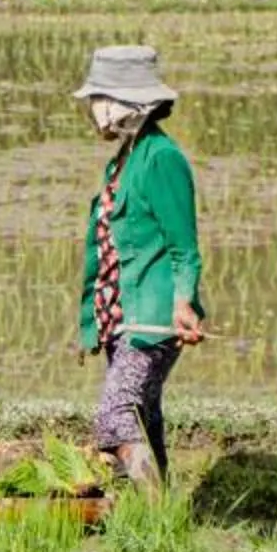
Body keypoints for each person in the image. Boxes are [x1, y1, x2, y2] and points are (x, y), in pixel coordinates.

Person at [74, 46, 204, 493]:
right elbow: (106, 250)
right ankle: (161, 517)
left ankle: (154, 517)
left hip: (152, 316)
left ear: (127, 105)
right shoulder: (124, 159)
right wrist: (92, 325)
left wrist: (184, 302)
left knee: (114, 419)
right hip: (121, 314)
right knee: (144, 419)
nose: (94, 111)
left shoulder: (161, 158)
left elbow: (184, 246)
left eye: (99, 100)